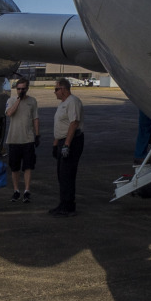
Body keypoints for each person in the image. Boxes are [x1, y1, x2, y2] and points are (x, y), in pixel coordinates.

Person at [49, 76, 84, 216]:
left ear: (63, 89)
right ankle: (63, 203)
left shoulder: (72, 102)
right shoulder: (63, 103)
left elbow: (74, 123)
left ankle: (69, 206)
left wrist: (67, 145)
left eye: (56, 89)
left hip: (72, 141)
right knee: (61, 175)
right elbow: (61, 126)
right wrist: (55, 144)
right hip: (62, 141)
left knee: (67, 174)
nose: (55, 92)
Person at [4, 74, 40, 204]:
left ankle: (26, 191)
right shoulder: (12, 100)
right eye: (18, 89)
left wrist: (37, 134)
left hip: (28, 139)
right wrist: (18, 100)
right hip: (14, 139)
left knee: (28, 166)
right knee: (15, 168)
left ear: (27, 88)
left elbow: (35, 118)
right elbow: (9, 113)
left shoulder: (32, 101)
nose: (20, 91)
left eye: (23, 89)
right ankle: (16, 190)